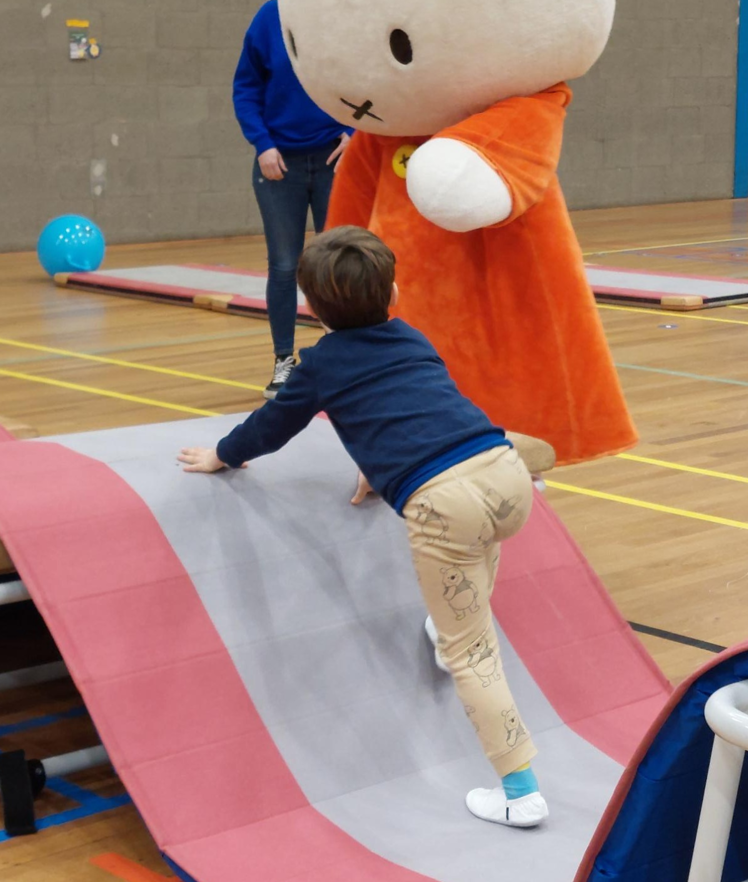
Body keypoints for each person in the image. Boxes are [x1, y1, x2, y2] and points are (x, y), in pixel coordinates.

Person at [179, 226, 547, 829]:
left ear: (311, 308)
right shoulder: (412, 338)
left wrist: (223, 454)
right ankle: (450, 620)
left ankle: (520, 789)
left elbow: (272, 427)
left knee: (471, 653)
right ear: (394, 293)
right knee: (479, 543)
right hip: (504, 474)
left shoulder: (320, 365)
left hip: (444, 503)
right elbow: (416, 406)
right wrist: (380, 465)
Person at [233, 0, 350, 399]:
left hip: (334, 160)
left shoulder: (341, 14)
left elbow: (370, 84)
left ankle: (341, 358)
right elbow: (246, 88)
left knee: (337, 263)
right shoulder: (269, 17)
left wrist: (356, 134)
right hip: (279, 164)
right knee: (284, 265)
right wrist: (262, 144)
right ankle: (284, 360)